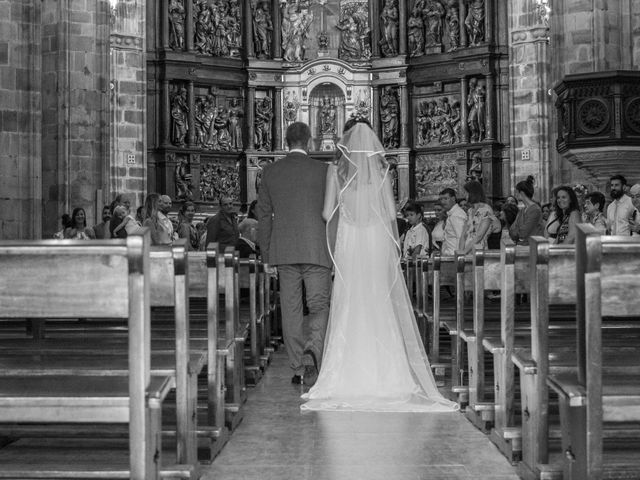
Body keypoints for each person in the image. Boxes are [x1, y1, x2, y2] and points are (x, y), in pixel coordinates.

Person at [301, 118, 457, 412]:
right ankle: (387, 375)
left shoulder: (336, 171)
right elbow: (389, 215)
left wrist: (346, 212)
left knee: (350, 301)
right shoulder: (382, 173)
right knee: (377, 300)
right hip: (373, 242)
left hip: (351, 242)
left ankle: (346, 373)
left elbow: (325, 213)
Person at [257, 122, 332, 387]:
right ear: (310, 142)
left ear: (286, 141)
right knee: (319, 305)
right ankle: (314, 350)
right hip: (318, 248)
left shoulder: (270, 172)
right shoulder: (324, 170)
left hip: (284, 250)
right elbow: (332, 214)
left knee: (290, 309)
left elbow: (263, 216)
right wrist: (334, 250)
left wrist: (266, 255)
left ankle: (298, 367)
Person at [459, 180, 497, 254]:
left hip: (479, 252)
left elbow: (479, 236)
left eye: (465, 192)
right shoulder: (470, 211)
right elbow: (463, 235)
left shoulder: (486, 210)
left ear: (473, 193)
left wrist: (464, 252)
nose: (464, 195)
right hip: (466, 251)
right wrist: (460, 252)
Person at [508, 176, 543, 245]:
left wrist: (516, 232)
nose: (515, 194)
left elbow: (523, 233)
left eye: (516, 192)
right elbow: (511, 230)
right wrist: (516, 233)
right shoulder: (522, 210)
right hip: (521, 245)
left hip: (531, 247)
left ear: (522, 192)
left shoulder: (535, 209)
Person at [439, 187, 467, 256]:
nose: (443, 202)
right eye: (441, 199)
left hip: (454, 256)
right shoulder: (451, 214)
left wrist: (459, 256)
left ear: (453, 199)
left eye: (446, 199)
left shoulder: (456, 215)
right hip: (450, 255)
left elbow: (461, 237)